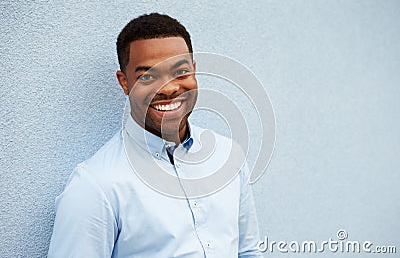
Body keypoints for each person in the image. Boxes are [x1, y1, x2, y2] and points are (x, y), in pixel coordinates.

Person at [48, 13, 262, 257]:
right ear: (124, 82)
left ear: (193, 70)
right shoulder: (95, 186)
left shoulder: (228, 156)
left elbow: (248, 251)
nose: (169, 88)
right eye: (147, 76)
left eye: (180, 71)